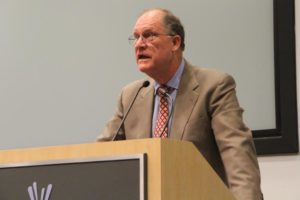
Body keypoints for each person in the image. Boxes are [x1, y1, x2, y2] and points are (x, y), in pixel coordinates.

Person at [98, 8, 263, 200]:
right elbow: (102, 153)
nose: (139, 44)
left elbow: (237, 155)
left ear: (175, 42)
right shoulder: (131, 95)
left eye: (149, 35)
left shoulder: (214, 86)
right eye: (136, 37)